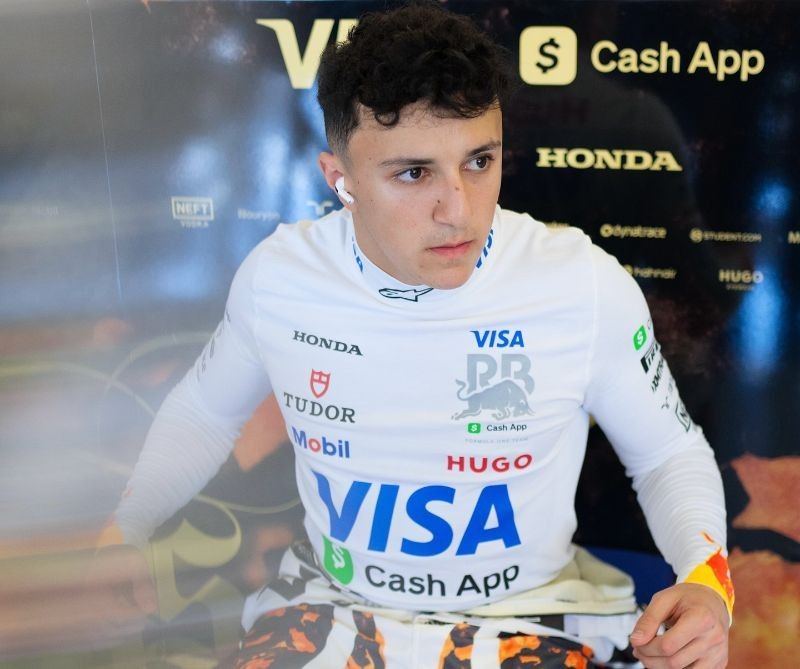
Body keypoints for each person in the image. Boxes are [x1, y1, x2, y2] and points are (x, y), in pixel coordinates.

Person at [93, 2, 733, 667]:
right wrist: (126, 528)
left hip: (530, 614)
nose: (458, 209)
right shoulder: (279, 277)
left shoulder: (580, 283)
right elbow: (204, 413)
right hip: (330, 605)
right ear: (340, 181)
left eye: (478, 161)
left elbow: (667, 453)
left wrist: (708, 580)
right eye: (413, 173)